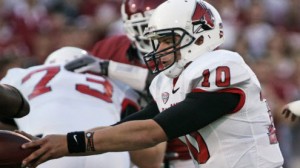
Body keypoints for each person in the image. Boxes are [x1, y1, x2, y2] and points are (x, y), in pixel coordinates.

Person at [21, 1, 284, 168]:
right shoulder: (169, 81)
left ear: (201, 36)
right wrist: (57, 143)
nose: (159, 49)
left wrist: (69, 143)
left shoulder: (223, 67)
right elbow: (125, 128)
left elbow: (152, 132)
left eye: (168, 41)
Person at [64, 0, 193, 167]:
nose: (155, 33)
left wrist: (109, 68)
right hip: (127, 148)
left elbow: (170, 88)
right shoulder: (111, 47)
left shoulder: (190, 46)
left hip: (185, 154)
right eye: (148, 26)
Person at [0, 46, 165, 168]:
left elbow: (13, 108)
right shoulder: (115, 82)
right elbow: (151, 158)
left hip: (45, 149)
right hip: (106, 151)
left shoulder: (19, 75)